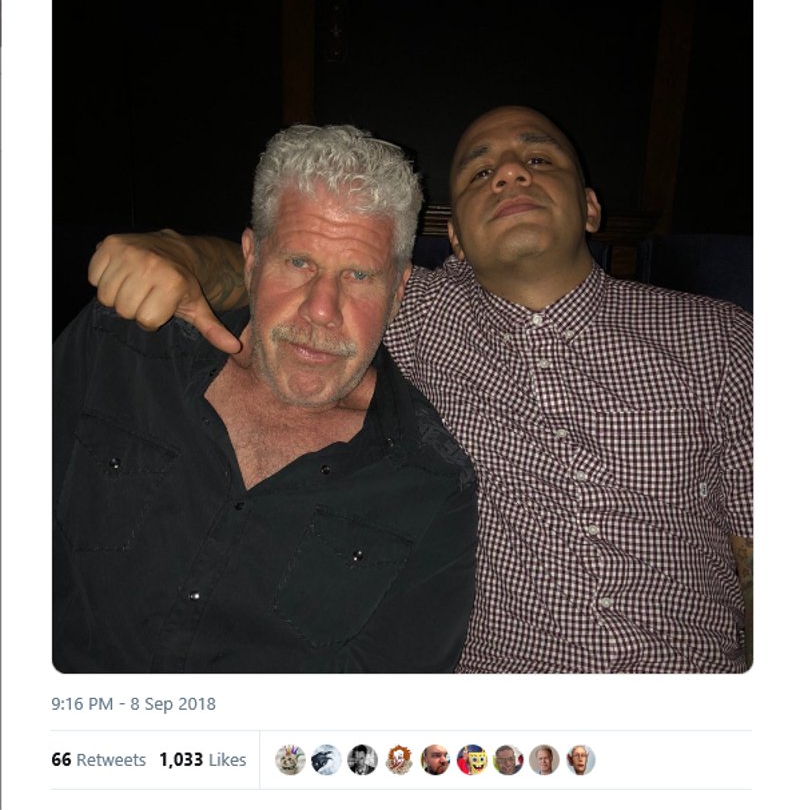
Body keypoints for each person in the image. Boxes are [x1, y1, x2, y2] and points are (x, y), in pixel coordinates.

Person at [87, 106, 753, 674]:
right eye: (479, 173)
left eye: (538, 159)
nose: (510, 173)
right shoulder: (413, 309)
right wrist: (180, 257)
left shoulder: (720, 336)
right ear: (455, 237)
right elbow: (290, 270)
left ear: (590, 206)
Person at [54, 125, 477, 672]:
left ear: (397, 291)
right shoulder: (122, 347)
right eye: (298, 262)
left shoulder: (430, 484)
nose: (321, 309)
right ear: (251, 259)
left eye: (358, 274)